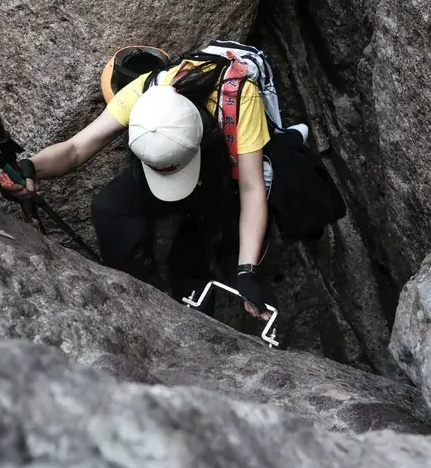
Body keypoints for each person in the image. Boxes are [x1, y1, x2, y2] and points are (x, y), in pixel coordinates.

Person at [19, 55, 272, 319]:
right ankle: (141, 298)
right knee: (109, 208)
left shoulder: (240, 99)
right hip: (156, 171)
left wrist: (247, 271)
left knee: (194, 250)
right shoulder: (144, 90)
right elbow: (75, 149)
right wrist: (30, 167)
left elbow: (251, 188)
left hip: (213, 180)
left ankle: (196, 311)